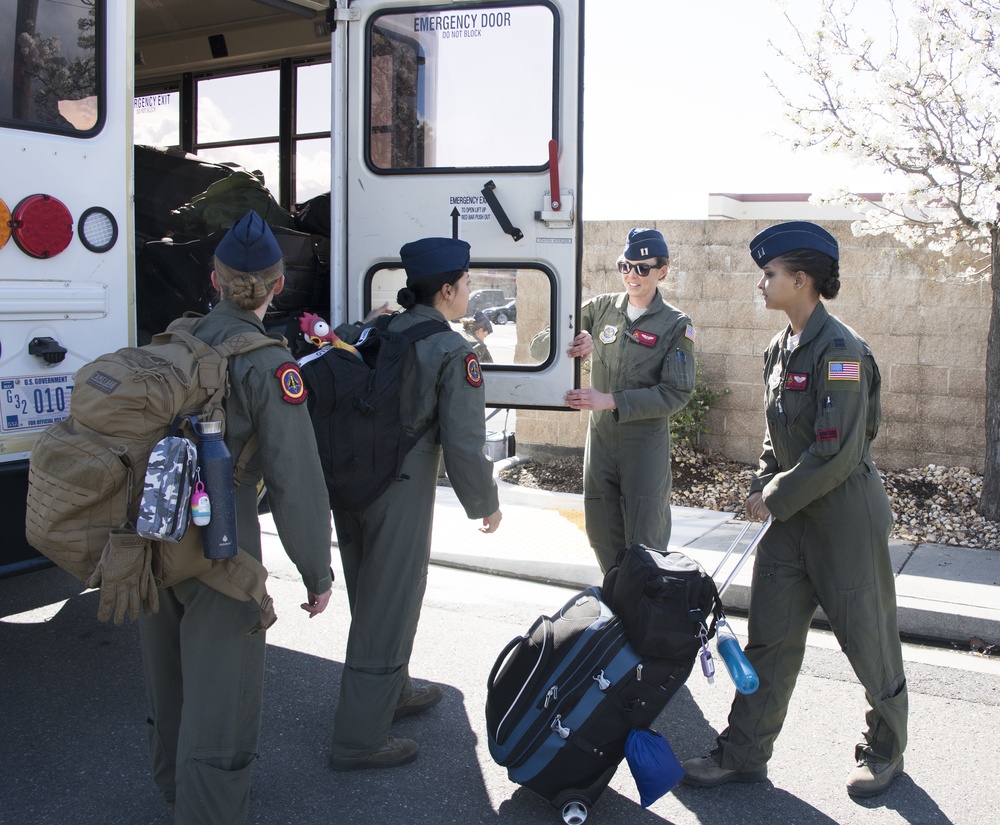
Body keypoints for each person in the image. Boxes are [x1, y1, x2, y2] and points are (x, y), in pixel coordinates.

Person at [681, 221, 908, 798]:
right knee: (769, 642)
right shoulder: (779, 349)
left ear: (800, 279)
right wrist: (761, 480)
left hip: (842, 522)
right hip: (788, 526)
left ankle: (884, 749)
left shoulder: (842, 351)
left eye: (770, 274)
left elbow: (837, 450)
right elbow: (774, 437)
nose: (760, 283)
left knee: (868, 641)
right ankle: (743, 753)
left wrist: (773, 495)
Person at [138, 211, 334, 824]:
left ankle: (175, 791)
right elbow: (296, 478)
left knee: (168, 677)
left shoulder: (173, 341)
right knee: (223, 693)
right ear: (278, 287)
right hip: (225, 537)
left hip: (155, 527)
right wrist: (317, 571)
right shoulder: (270, 366)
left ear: (215, 280)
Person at [326, 237, 502, 771]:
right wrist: (484, 504)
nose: (469, 291)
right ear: (447, 290)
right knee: (391, 603)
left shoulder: (374, 328)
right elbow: (464, 442)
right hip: (399, 487)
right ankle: (358, 740)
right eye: (467, 283)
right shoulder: (454, 350)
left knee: (369, 590)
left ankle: (392, 689)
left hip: (350, 479)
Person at [564, 227, 696, 573]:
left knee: (645, 544)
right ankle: (617, 610)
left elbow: (675, 393)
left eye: (642, 268)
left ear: (662, 271)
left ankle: (645, 617)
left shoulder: (676, 325)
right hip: (602, 444)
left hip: (644, 447)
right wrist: (572, 343)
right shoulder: (601, 308)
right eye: (625, 266)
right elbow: (542, 343)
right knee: (600, 533)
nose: (631, 275)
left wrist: (608, 400)